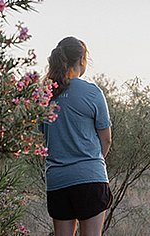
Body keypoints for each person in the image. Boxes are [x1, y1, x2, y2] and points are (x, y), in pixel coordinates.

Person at [40, 36, 112, 236]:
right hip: (90, 177)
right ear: (82, 60)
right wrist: (90, 165)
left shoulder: (45, 95)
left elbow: (45, 137)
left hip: (58, 180)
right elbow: (106, 140)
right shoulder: (92, 93)